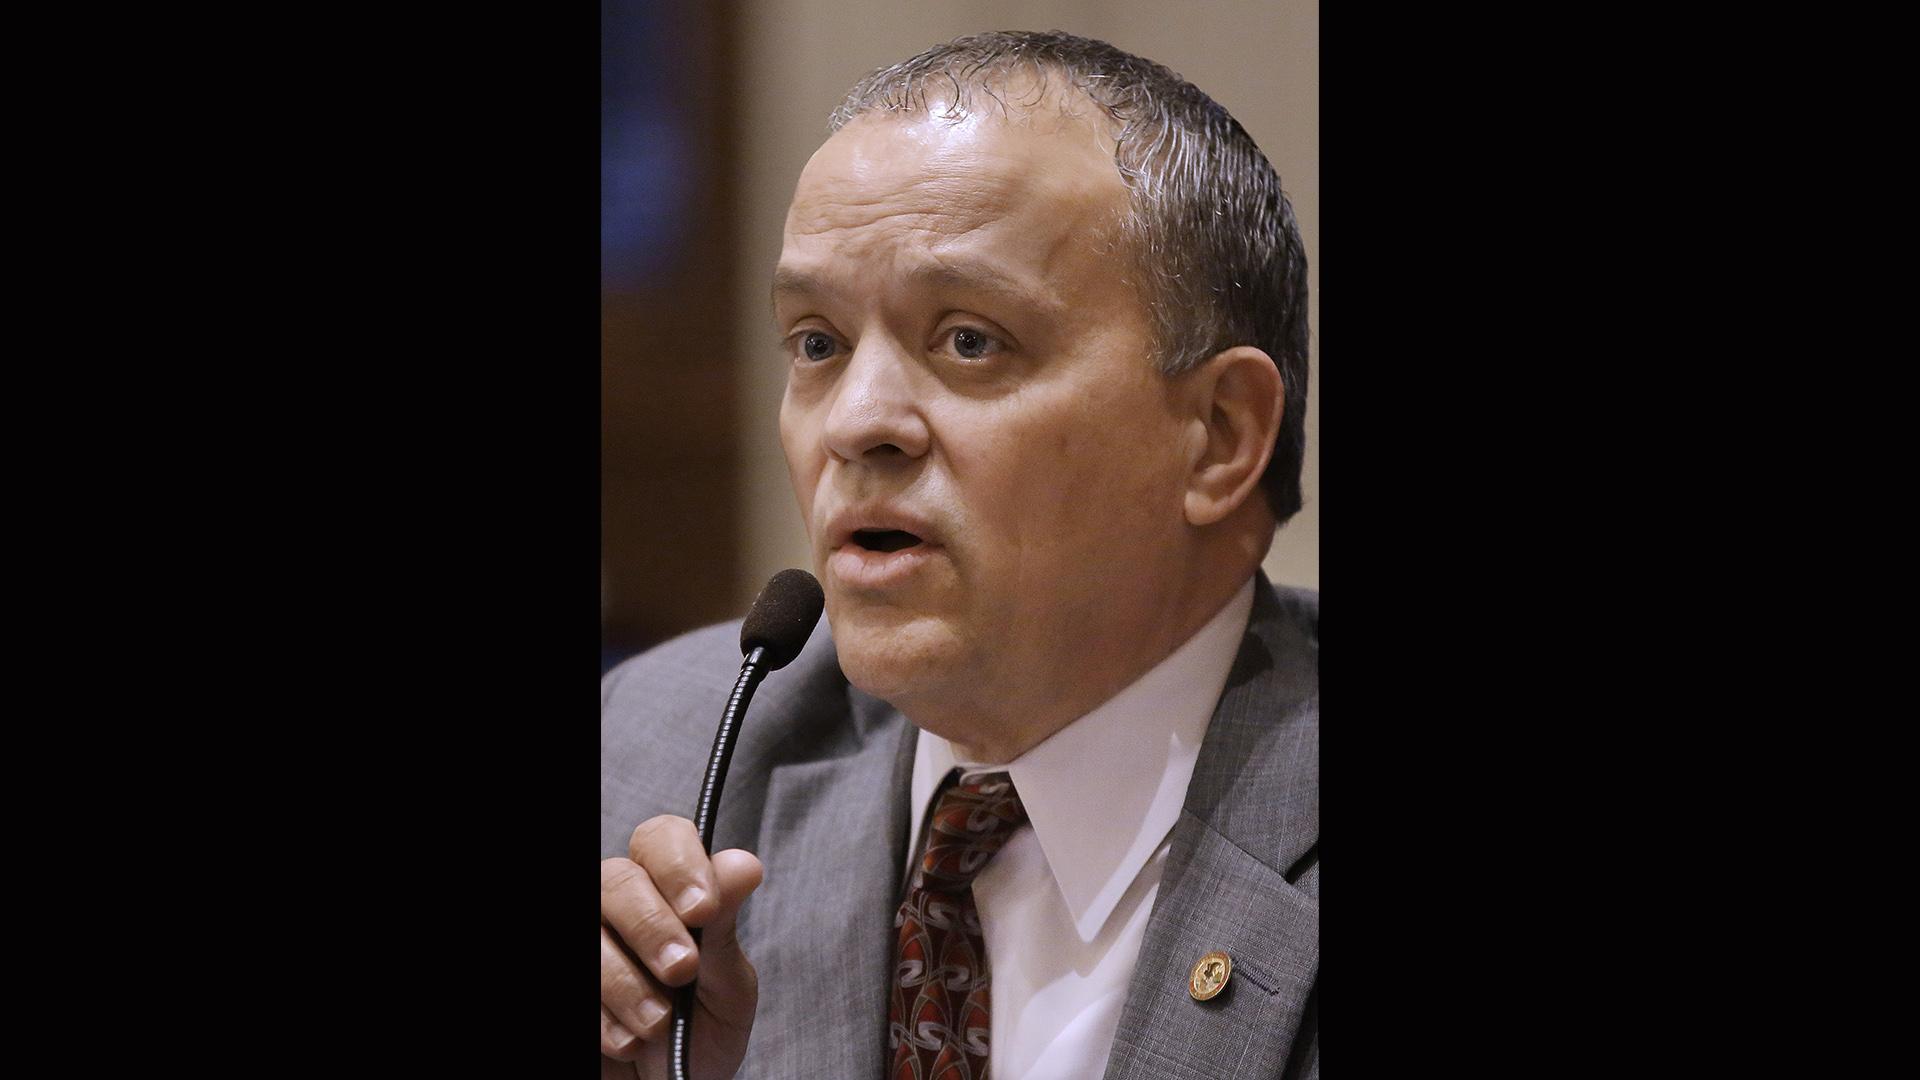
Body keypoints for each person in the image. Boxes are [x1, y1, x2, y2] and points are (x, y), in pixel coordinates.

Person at [601, 30, 1316, 1079]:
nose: (858, 423)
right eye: (817, 344)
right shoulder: (660, 753)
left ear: (1217, 434)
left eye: (969, 340)